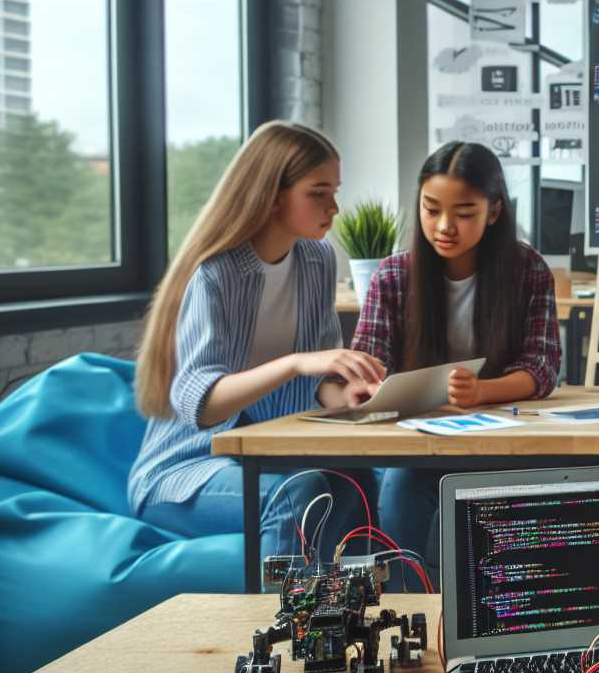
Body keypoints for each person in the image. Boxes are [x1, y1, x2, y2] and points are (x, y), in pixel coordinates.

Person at [131, 121, 382, 563]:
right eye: (318, 192)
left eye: (334, 191)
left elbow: (316, 381)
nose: (335, 207)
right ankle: (279, 629)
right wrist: (294, 363)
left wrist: (347, 394)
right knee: (297, 495)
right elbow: (201, 406)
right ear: (273, 195)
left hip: (267, 456)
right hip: (187, 471)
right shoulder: (215, 273)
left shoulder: (316, 258)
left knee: (357, 478)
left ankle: (355, 621)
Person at [352, 141, 561, 586]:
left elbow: (542, 366)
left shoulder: (527, 270)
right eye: (431, 209)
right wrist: (369, 388)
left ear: (494, 211)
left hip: (505, 440)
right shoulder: (393, 276)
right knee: (401, 489)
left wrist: (483, 391)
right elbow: (368, 365)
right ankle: (408, 619)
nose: (444, 226)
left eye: (464, 212)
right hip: (418, 444)